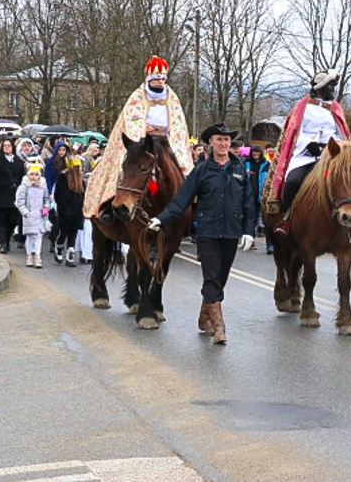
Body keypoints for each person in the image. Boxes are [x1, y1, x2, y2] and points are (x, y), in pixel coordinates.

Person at [148, 123, 256, 345]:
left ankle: (203, 316)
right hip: (208, 232)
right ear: (211, 143)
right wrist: (161, 218)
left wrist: (249, 231)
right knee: (211, 276)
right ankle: (219, 326)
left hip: (232, 232)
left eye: (227, 140)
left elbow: (248, 203)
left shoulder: (239, 170)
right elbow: (182, 200)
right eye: (219, 140)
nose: (224, 144)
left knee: (220, 278)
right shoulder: (202, 170)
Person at [84, 55, 194, 223]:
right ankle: (110, 204)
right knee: (124, 166)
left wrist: (168, 132)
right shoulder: (137, 96)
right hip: (142, 141)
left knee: (184, 168)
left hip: (165, 141)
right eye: (157, 78)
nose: (160, 81)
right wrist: (144, 128)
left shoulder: (172, 97)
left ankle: (190, 206)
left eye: (163, 78)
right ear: (149, 78)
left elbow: (178, 122)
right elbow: (132, 119)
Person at [267, 69, 351, 235]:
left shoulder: (336, 108)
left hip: (330, 155)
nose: (333, 90)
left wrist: (331, 147)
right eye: (330, 87)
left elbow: (340, 133)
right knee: (292, 180)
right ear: (320, 87)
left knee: (350, 179)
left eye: (334, 86)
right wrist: (309, 144)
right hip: (304, 155)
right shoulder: (302, 107)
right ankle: (286, 218)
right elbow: (295, 132)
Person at [0, 136, 27, 254]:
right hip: (0, 195)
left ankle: (7, 239)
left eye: (9, 145)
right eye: (5, 146)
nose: (7, 148)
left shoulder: (19, 162)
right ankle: (4, 243)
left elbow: (22, 178)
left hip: (15, 195)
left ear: (13, 147)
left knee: (13, 220)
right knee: (1, 220)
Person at [51, 154, 85, 266]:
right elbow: (58, 196)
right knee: (64, 233)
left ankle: (70, 256)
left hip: (77, 212)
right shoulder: (63, 180)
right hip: (65, 212)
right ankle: (59, 247)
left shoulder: (81, 183)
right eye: (79, 168)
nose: (81, 170)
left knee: (73, 234)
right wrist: (65, 208)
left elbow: (83, 197)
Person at [16, 164, 51, 268]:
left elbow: (46, 199)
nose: (34, 177)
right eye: (32, 174)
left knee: (39, 236)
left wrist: (46, 208)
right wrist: (25, 212)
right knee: (30, 236)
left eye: (36, 174)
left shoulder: (43, 187)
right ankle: (29, 256)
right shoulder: (24, 187)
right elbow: (20, 201)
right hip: (29, 215)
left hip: (40, 215)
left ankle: (38, 256)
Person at [245, 145, 270, 252]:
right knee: (251, 219)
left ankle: (270, 244)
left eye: (257, 152)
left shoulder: (266, 164)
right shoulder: (245, 164)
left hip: (263, 195)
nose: (255, 154)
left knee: (266, 220)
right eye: (254, 152)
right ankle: (251, 241)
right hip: (249, 195)